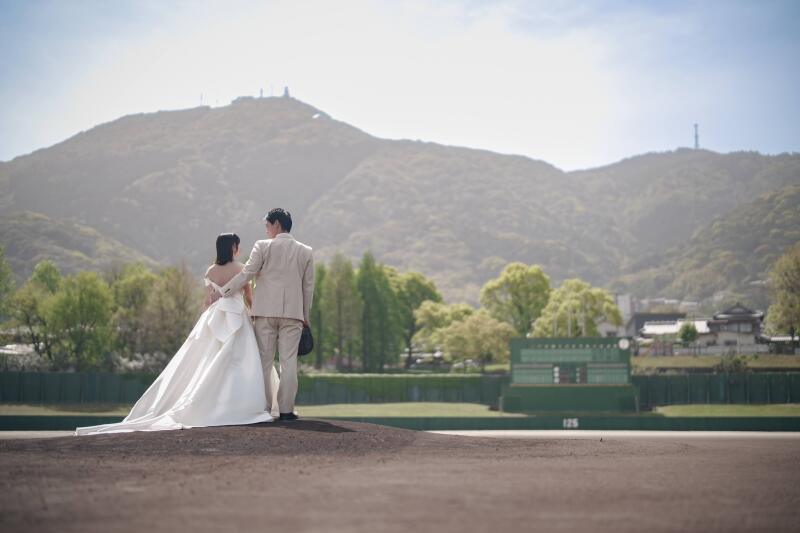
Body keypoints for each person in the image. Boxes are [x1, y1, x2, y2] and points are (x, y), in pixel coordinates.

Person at [75, 233, 275, 435]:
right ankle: (237, 405)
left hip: (214, 317)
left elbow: (207, 301)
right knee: (240, 361)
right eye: (237, 245)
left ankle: (207, 404)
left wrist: (202, 322)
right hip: (236, 316)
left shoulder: (211, 270)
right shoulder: (240, 268)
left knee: (204, 361)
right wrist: (254, 315)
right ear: (233, 247)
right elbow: (249, 297)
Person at [219, 208, 314, 421]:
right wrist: (305, 316)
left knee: (264, 361)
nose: (266, 229)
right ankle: (287, 411)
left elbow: (247, 274)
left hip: (264, 313)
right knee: (289, 363)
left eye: (267, 225)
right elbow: (308, 288)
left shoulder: (262, 246)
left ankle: (264, 410)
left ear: (277, 224)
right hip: (293, 314)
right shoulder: (306, 251)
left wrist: (224, 291)